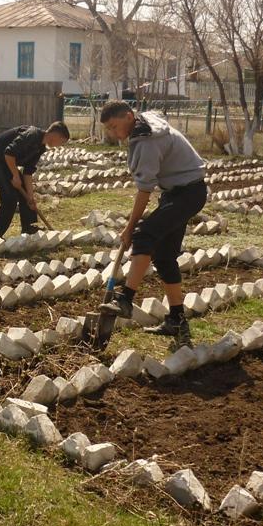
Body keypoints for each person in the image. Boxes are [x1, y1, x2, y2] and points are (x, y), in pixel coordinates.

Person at [98, 100, 207, 347]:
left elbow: (144, 191)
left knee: (143, 236)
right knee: (165, 257)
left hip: (188, 193)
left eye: (115, 127)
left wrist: (129, 228)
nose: (115, 134)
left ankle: (125, 298)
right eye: (109, 130)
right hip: (179, 193)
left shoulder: (147, 140)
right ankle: (177, 319)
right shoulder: (143, 124)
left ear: (128, 116)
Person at [0, 121, 70, 238]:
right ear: (56, 136)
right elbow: (9, 153)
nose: (59, 145)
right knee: (10, 198)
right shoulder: (32, 135)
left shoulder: (40, 148)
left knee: (27, 199)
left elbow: (28, 172)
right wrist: (15, 175)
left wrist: (30, 196)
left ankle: (29, 229)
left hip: (8, 163)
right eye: (61, 142)